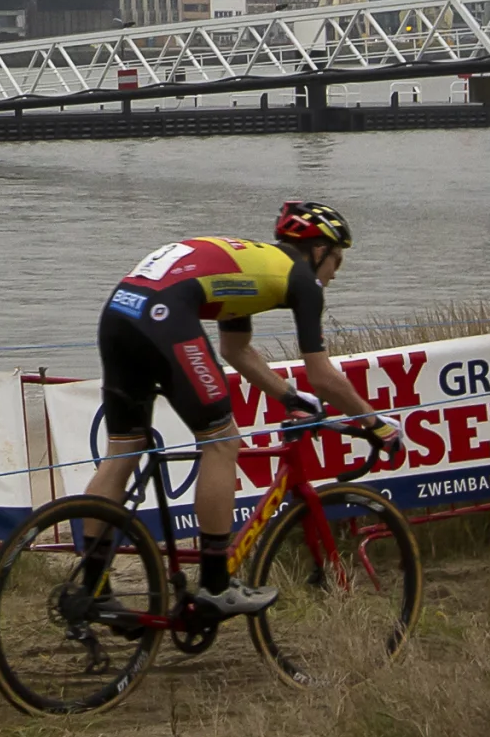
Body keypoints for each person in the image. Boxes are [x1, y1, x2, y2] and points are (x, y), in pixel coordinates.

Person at [77, 202, 397, 618]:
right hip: (161, 316)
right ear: (318, 250)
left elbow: (235, 349)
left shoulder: (252, 267)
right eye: (337, 259)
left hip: (120, 313)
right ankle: (214, 584)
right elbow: (321, 374)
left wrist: (287, 395)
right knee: (223, 441)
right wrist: (376, 424)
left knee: (125, 448)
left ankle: (91, 590)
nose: (337, 272)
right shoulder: (302, 280)